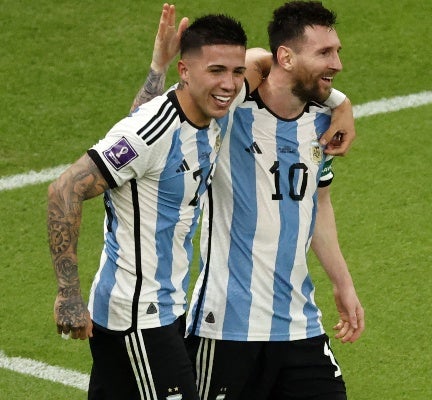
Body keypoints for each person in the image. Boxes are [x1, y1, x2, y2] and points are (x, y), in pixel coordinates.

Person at [136, 2, 364, 399]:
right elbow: (146, 129)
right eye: (325, 52)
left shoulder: (323, 123)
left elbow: (318, 205)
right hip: (226, 327)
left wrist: (343, 283)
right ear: (285, 57)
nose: (337, 63)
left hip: (300, 324)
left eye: (337, 51)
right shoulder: (229, 112)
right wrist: (159, 67)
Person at [47, 11, 258, 400]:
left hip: (162, 307)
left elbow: (269, 59)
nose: (229, 84)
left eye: (236, 72)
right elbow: (64, 190)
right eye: (216, 70)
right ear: (186, 71)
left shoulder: (210, 110)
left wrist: (339, 103)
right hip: (138, 315)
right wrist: (68, 294)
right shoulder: (154, 130)